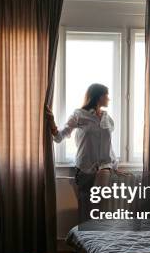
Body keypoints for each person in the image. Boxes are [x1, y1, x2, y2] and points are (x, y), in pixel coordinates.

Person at [47, 83, 117, 223]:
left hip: (105, 169)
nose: (109, 98)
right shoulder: (79, 115)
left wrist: (114, 165)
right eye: (106, 95)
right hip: (85, 169)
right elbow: (60, 137)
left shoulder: (107, 118)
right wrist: (52, 122)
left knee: (100, 208)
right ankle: (84, 241)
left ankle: (97, 241)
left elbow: (109, 145)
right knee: (85, 209)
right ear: (98, 97)